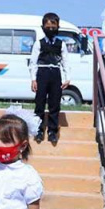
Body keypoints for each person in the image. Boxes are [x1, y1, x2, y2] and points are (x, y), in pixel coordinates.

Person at [29, 13, 70, 144]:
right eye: (48, 27)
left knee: (54, 103)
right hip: (42, 72)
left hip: (55, 74)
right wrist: (33, 79)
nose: (50, 29)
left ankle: (52, 131)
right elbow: (33, 62)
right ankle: (38, 130)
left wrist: (67, 78)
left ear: (58, 27)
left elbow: (66, 62)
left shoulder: (61, 44)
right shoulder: (38, 43)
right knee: (39, 102)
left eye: (53, 27)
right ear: (43, 27)